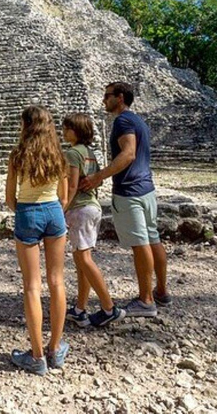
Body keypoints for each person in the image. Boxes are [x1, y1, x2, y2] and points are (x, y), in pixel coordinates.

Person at [80, 82, 170, 317]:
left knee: (141, 244)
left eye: (107, 96)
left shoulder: (123, 121)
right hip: (147, 188)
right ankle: (160, 291)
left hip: (130, 191)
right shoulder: (139, 120)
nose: (103, 100)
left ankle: (146, 300)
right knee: (152, 239)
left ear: (120, 97)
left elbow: (128, 153)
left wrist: (99, 176)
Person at [6, 105, 69, 376]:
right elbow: (64, 197)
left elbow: (10, 198)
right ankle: (55, 348)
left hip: (28, 211)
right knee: (57, 281)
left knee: (32, 286)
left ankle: (36, 355)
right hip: (54, 211)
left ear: (26, 126)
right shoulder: (59, 154)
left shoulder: (18, 155)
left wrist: (25, 208)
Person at [62, 113, 125, 327]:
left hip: (79, 209)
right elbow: (95, 181)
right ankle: (80, 309)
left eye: (67, 128)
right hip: (92, 207)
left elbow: (70, 186)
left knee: (85, 259)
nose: (64, 131)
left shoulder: (72, 154)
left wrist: (61, 209)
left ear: (77, 131)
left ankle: (109, 308)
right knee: (81, 261)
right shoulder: (90, 153)